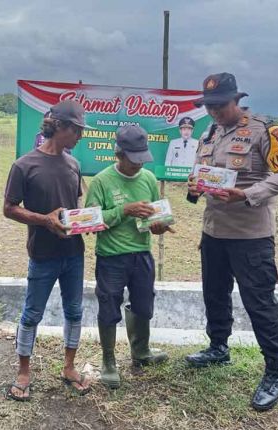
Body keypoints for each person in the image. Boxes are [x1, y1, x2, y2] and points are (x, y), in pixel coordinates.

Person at [185, 72, 278, 411]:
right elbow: (201, 173)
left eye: (220, 105)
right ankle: (218, 348)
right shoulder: (209, 131)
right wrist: (194, 187)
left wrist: (248, 194)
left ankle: (276, 371)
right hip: (214, 231)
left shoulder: (265, 130)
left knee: (259, 303)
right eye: (209, 107)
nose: (215, 112)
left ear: (237, 100)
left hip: (251, 236)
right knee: (214, 294)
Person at [3, 99, 92, 401]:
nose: (80, 136)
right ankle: (24, 371)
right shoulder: (24, 165)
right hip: (42, 254)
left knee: (75, 311)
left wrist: (84, 222)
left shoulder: (74, 164)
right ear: (61, 127)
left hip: (73, 254)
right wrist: (44, 220)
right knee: (32, 314)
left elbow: (74, 207)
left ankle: (69, 366)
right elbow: (9, 209)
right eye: (77, 130)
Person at [84, 124, 172, 389]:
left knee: (144, 305)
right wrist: (124, 210)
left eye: (141, 159)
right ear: (118, 154)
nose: (138, 166)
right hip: (112, 257)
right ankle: (109, 361)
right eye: (133, 160)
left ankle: (141, 352)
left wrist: (159, 225)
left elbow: (155, 215)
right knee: (109, 306)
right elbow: (90, 221)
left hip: (141, 255)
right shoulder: (101, 181)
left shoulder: (147, 179)